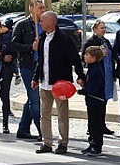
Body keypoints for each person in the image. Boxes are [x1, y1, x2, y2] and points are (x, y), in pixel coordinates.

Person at [32, 11, 86, 154]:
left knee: (62, 114)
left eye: (42, 20)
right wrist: (35, 78)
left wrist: (80, 75)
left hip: (60, 84)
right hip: (45, 83)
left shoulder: (64, 39)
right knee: (45, 114)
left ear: (51, 22)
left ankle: (63, 142)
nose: (40, 23)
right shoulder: (43, 37)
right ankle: (47, 142)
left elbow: (74, 58)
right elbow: (41, 60)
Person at [11, 0, 46, 139]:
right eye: (40, 8)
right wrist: (30, 47)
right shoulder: (22, 25)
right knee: (35, 99)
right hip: (28, 66)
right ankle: (42, 131)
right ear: (31, 9)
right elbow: (14, 44)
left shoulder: (44, 24)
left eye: (44, 7)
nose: (42, 10)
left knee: (31, 99)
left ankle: (23, 129)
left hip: (42, 65)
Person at [83, 20, 116, 135]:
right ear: (95, 29)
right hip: (97, 72)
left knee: (104, 99)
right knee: (94, 101)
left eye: (105, 28)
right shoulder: (91, 42)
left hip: (107, 72)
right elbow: (85, 57)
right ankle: (92, 126)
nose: (104, 30)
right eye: (101, 28)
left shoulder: (106, 41)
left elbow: (113, 54)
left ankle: (102, 124)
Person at [78, 46, 107, 156]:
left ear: (94, 58)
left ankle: (97, 146)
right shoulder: (91, 68)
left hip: (97, 101)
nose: (85, 56)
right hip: (91, 101)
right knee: (91, 124)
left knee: (96, 124)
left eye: (87, 55)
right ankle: (92, 143)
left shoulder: (97, 70)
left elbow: (94, 88)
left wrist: (83, 91)